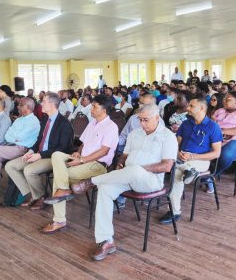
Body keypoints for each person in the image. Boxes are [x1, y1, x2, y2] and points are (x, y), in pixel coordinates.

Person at [70, 104, 178, 260]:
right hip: (127, 176)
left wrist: (138, 169)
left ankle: (91, 182)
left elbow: (167, 166)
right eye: (140, 120)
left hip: (151, 181)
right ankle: (106, 241)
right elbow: (124, 156)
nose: (142, 124)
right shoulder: (135, 134)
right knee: (105, 189)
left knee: (135, 170)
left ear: (157, 118)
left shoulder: (168, 136)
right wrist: (120, 164)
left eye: (145, 120)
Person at [39, 95, 119, 234]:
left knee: (60, 176)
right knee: (56, 155)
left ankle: (59, 219)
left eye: (95, 107)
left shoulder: (111, 127)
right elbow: (84, 143)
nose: (91, 109)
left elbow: (104, 151)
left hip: (97, 165)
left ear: (104, 110)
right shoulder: (92, 123)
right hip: (82, 159)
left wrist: (82, 160)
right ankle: (63, 190)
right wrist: (78, 153)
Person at [5, 92, 74, 210]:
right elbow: (38, 141)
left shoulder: (64, 123)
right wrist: (31, 151)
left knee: (29, 170)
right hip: (39, 154)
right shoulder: (45, 119)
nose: (41, 103)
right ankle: (34, 194)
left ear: (52, 104)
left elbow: (62, 148)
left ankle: (41, 196)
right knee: (10, 166)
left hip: (53, 157)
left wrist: (40, 155)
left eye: (44, 101)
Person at [159, 98, 222, 224]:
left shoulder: (213, 127)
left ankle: (175, 212)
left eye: (191, 106)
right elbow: (176, 144)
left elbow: (216, 153)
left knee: (177, 170)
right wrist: (177, 153)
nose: (188, 108)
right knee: (179, 171)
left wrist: (192, 157)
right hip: (182, 158)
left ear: (202, 109)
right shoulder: (186, 124)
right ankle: (188, 172)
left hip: (201, 160)